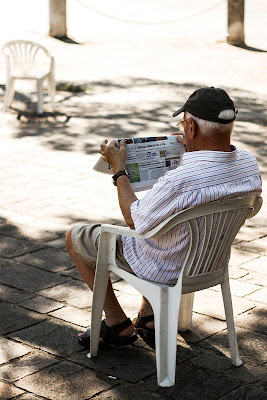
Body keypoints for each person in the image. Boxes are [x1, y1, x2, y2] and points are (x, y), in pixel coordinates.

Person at [66, 86, 262, 348]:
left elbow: (135, 221)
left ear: (190, 127)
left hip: (165, 267)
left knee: (75, 237)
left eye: (184, 124)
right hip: (209, 262)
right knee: (167, 228)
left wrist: (119, 170)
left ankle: (116, 323)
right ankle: (149, 317)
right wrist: (191, 151)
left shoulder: (179, 182)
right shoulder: (249, 164)